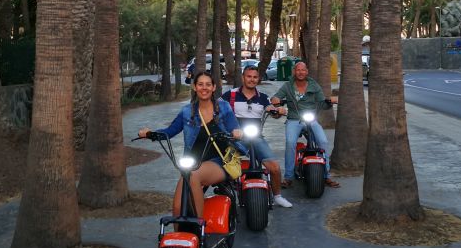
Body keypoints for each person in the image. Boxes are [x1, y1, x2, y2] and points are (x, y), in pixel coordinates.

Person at [138, 71, 243, 218]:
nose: (204, 88)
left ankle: (199, 227)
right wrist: (150, 134)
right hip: (193, 163)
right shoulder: (187, 111)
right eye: (200, 84)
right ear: (195, 87)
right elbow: (169, 131)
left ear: (213, 87)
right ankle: (180, 240)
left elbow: (234, 128)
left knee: (193, 175)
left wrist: (237, 132)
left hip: (220, 162)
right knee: (177, 207)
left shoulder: (223, 107)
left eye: (208, 84)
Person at [221, 65, 293, 208]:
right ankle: (226, 195)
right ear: (243, 77)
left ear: (258, 79)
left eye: (255, 77)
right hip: (234, 139)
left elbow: (271, 110)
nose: (251, 80)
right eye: (249, 76)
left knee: (275, 167)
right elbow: (218, 111)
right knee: (223, 167)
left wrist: (277, 110)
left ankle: (277, 196)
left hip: (255, 137)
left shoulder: (263, 98)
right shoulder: (230, 95)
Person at [271, 61, 339, 189]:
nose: (300, 72)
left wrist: (329, 102)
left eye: (303, 70)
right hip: (294, 119)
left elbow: (322, 103)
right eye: (298, 70)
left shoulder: (314, 85)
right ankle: (288, 177)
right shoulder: (288, 86)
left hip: (311, 119)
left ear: (306, 72)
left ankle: (326, 175)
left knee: (323, 142)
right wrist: (275, 100)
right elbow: (276, 98)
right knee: (290, 143)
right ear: (294, 72)